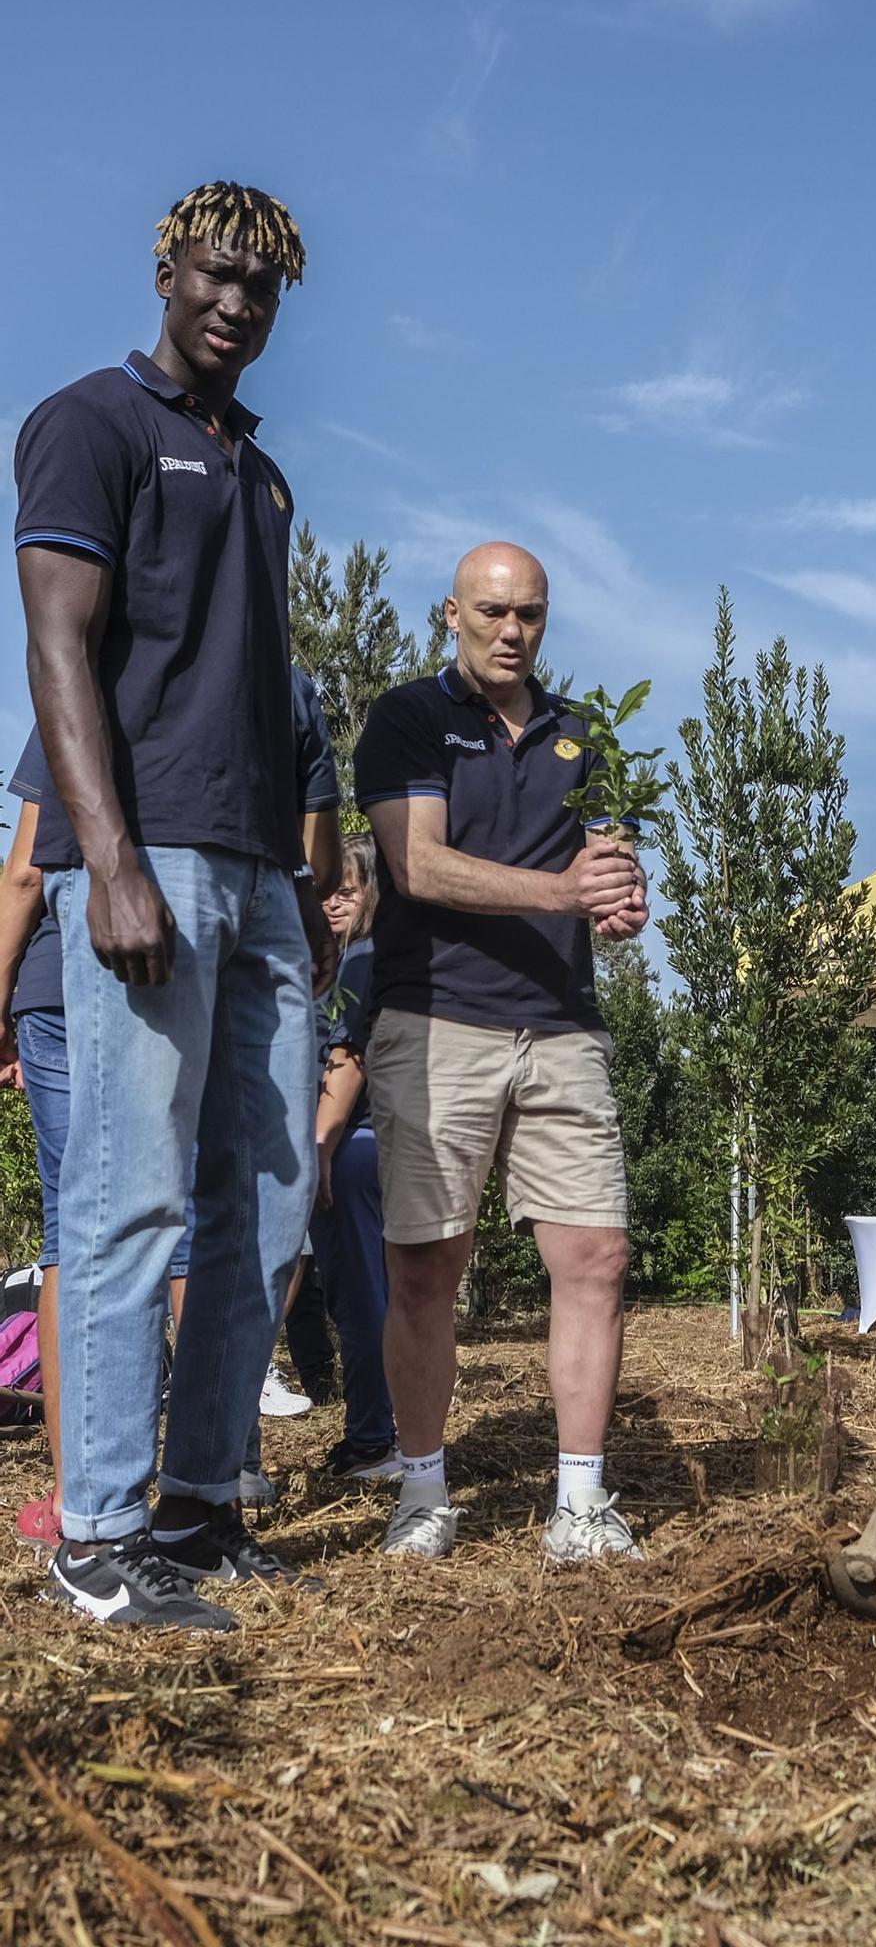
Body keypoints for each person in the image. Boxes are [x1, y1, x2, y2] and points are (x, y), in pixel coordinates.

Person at [14, 181, 336, 1629]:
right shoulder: (92, 424)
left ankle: (203, 1507)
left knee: (266, 1205)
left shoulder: (260, 475)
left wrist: (311, 887)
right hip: (152, 858)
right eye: (216, 275)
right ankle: (99, 1534)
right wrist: (114, 858)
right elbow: (59, 647)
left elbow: (254, 693)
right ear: (167, 269)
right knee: (129, 1195)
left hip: (265, 878)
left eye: (262, 289)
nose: (236, 304)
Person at [353, 541, 648, 1562]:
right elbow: (418, 864)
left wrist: (615, 893)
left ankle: (578, 1502)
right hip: (437, 1023)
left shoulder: (582, 734)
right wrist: (564, 890)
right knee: (428, 1267)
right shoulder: (406, 719)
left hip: (563, 1022)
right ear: (450, 614)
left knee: (595, 1256)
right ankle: (424, 1489)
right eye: (491, 611)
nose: (511, 630)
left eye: (529, 612)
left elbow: (598, 858)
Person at [0, 666, 341, 1543]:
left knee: (85, 1225)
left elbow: (24, 873)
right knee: (181, 1214)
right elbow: (320, 858)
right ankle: (203, 1470)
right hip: (160, 955)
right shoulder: (281, 689)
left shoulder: (118, 678)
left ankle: (88, 1488)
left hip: (68, 981)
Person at [308, 833, 400, 1482]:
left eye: (350, 889)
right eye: (329, 890)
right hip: (352, 1148)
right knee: (359, 1292)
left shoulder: (361, 961)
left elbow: (348, 1064)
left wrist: (319, 1148)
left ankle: (373, 1439)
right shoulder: (340, 959)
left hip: (349, 1150)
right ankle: (370, 1433)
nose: (337, 901)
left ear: (371, 893)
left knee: (360, 1294)